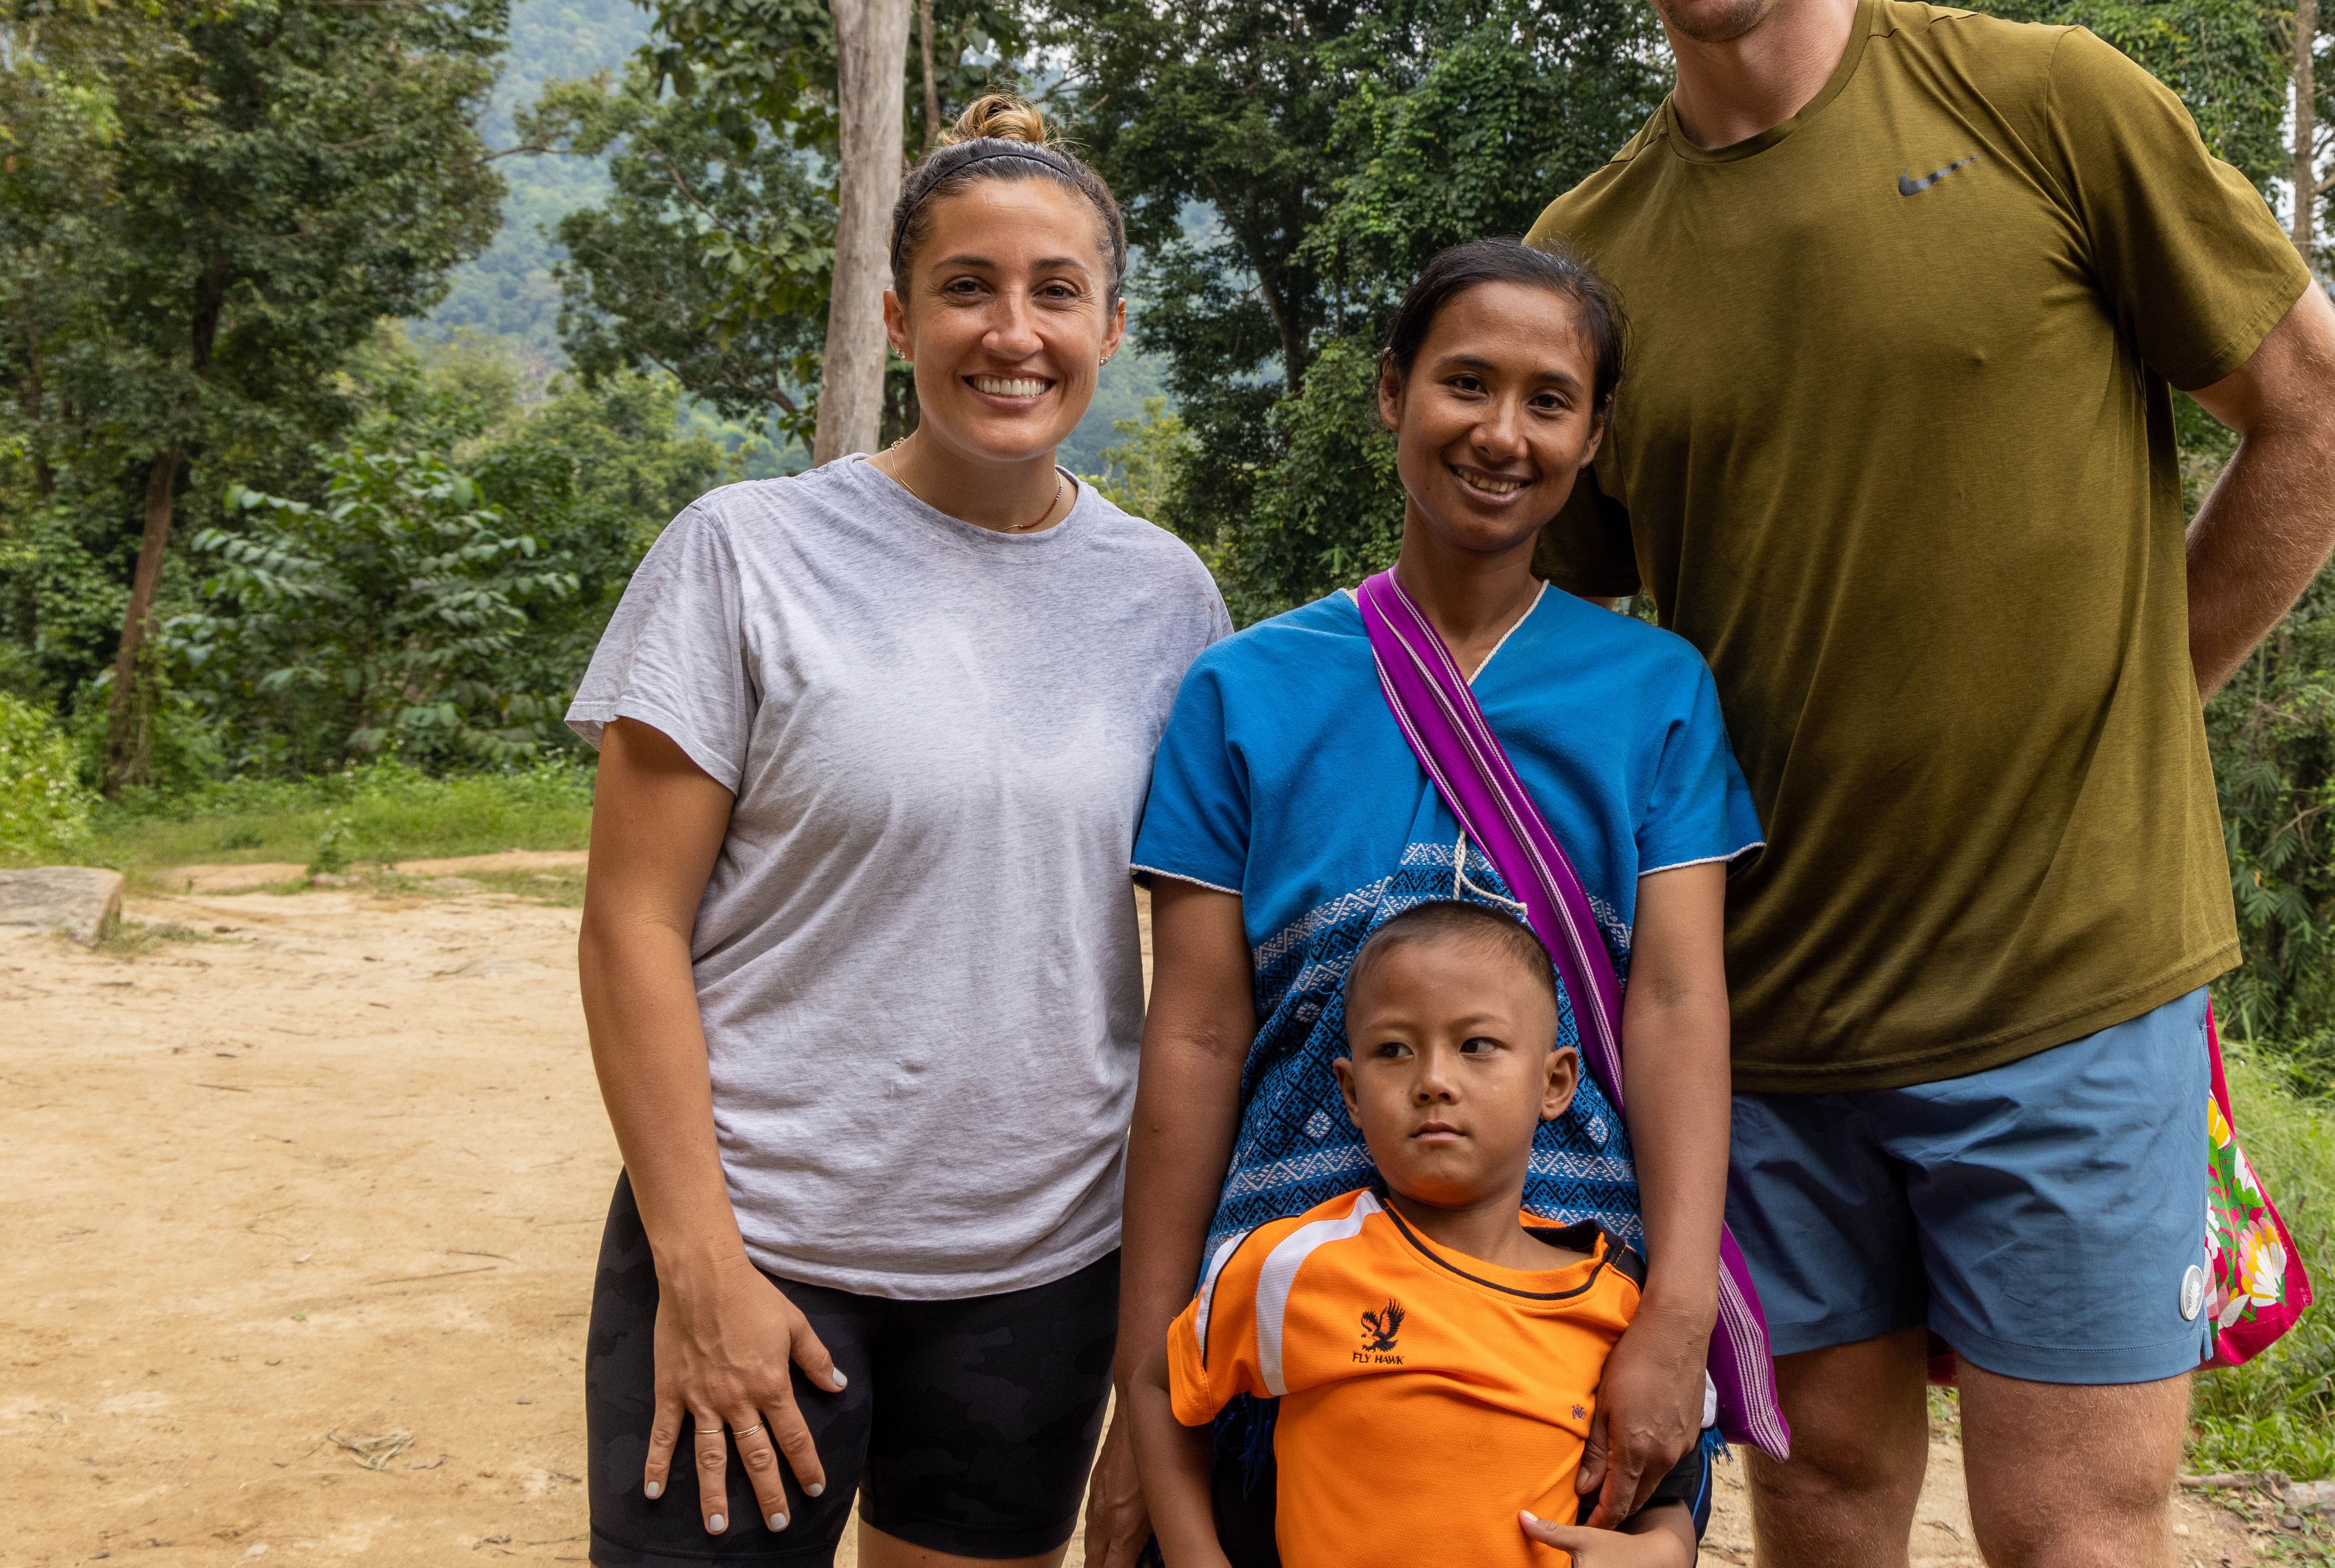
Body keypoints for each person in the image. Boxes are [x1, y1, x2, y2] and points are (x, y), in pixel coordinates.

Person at [1533, 0, 2335, 1568]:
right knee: (1824, 1500)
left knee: (2071, 1526)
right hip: (1764, 1022)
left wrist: (2134, 702)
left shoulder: (2043, 102)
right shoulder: (1586, 261)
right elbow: (1543, 626)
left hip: (2066, 989)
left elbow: (2318, 417)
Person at [571, 96, 1230, 1568]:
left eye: (1056, 290)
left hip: (1038, 1274)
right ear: (895, 312)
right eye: (967, 286)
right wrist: (700, 1267)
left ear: (1110, 323)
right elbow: (631, 925)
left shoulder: (1167, 597)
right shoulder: (744, 554)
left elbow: (1196, 986)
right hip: (759, 1249)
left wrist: (1148, 1347)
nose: (1013, 330)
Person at [1114, 240, 1760, 1564]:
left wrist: (1674, 1313)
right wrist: (1141, 1399)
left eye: (1547, 398)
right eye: (1464, 382)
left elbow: (1680, 1000)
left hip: (1563, 1320)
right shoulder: (1243, 690)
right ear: (1392, 391)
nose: (1500, 431)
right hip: (1292, 1326)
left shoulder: (1654, 691)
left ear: (1592, 436)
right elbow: (1190, 1035)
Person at [1131, 901, 1706, 1568]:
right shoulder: (1294, 1265)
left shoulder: (1614, 1300)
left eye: (1476, 1045)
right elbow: (1157, 1389)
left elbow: (1662, 1492)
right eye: (1394, 1049)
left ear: (1554, 1082)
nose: (1433, 1081)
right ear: (1349, 1090)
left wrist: (1665, 1551)